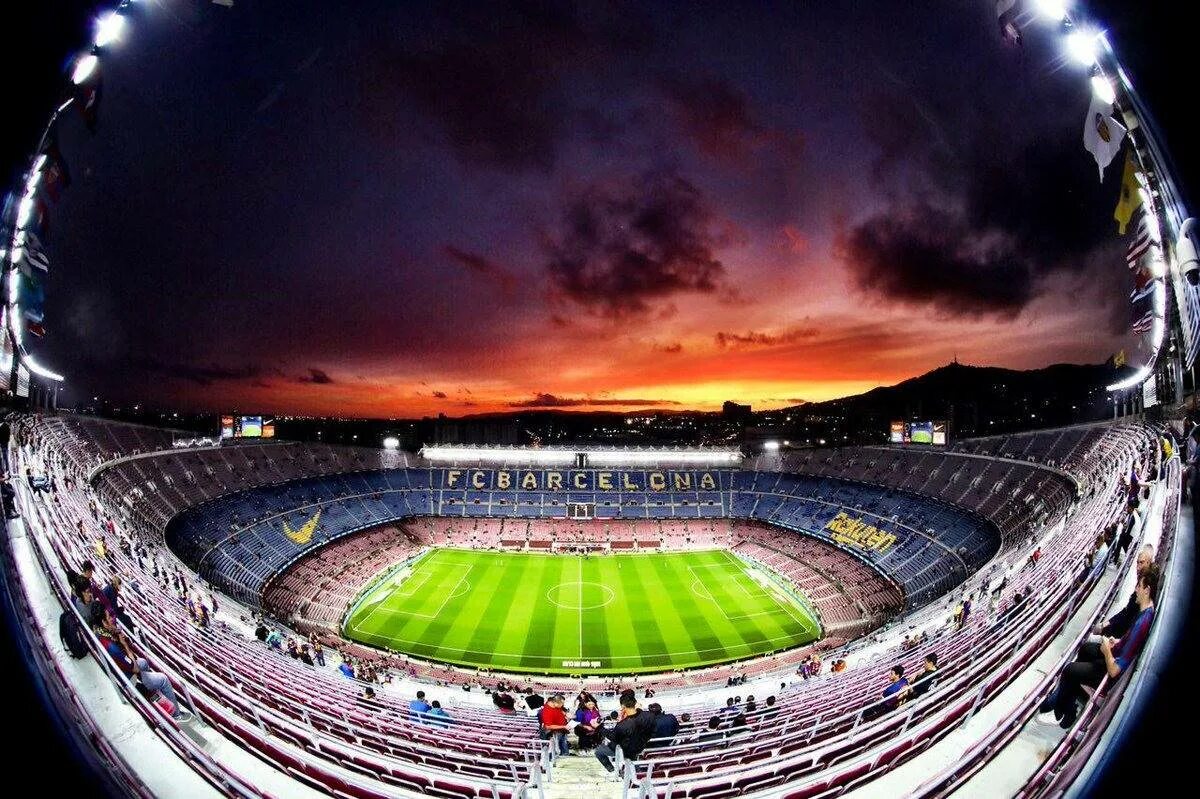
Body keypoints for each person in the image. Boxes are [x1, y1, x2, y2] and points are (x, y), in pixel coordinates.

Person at [1037, 564, 1158, 729]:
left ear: (1147, 589)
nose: (1136, 589)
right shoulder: (1144, 613)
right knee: (1086, 648)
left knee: (1069, 670)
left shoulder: (1142, 622)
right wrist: (1117, 641)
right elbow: (1127, 644)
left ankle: (1063, 713)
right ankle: (1069, 698)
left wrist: (1107, 650)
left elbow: (1115, 670)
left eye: (1139, 586)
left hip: (1110, 672)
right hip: (1114, 655)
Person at [92, 606, 188, 720]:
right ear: (104, 622)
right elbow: (135, 669)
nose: (112, 618)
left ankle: (153, 693)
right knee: (163, 679)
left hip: (121, 671)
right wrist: (125, 645)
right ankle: (177, 715)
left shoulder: (100, 634)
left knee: (142, 662)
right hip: (131, 679)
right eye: (109, 617)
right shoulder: (112, 647)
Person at [595, 692, 656, 773]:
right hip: (641, 745)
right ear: (635, 703)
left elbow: (614, 738)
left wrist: (600, 728)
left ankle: (612, 770)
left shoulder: (623, 725)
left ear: (623, 706)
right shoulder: (649, 716)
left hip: (627, 750)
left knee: (598, 751)